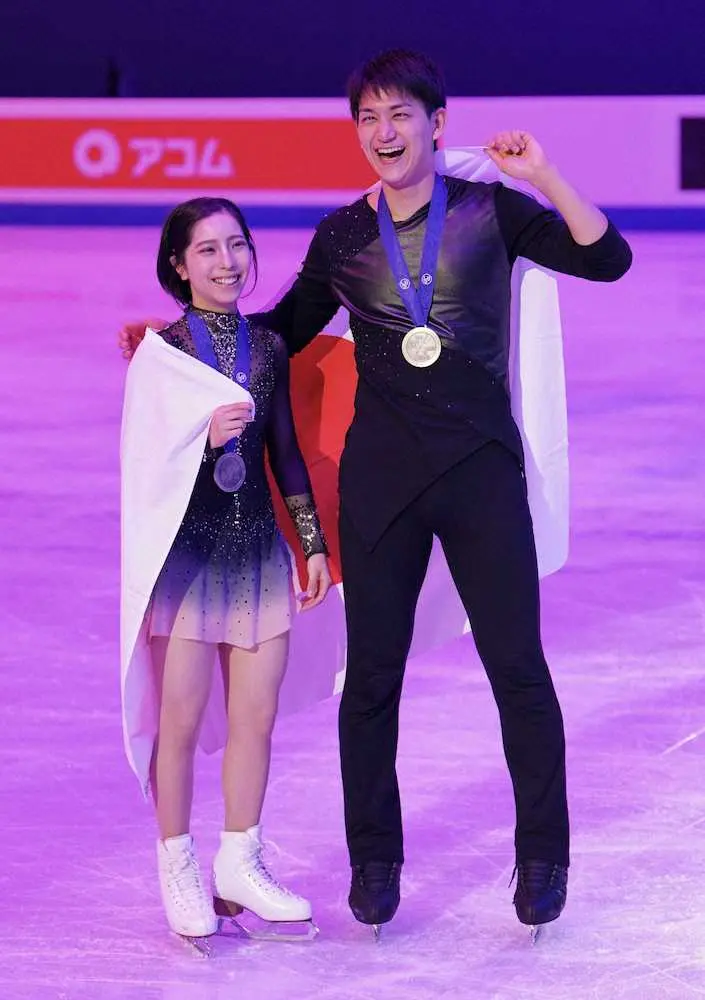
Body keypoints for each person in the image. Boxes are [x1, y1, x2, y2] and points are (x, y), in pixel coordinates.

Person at [119, 49, 632, 936]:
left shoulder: (491, 212)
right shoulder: (343, 237)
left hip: (480, 473)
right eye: (368, 118)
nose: (384, 132)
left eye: (400, 115)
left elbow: (607, 259)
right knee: (371, 681)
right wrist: (177, 350)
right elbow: (278, 335)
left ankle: (543, 856)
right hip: (381, 482)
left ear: (437, 124)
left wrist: (542, 174)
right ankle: (375, 861)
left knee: (517, 670)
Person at [119, 196, 331, 945]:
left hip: (259, 554)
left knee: (255, 719)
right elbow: (144, 463)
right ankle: (177, 863)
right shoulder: (161, 354)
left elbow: (286, 454)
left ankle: (240, 860)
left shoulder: (267, 347)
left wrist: (311, 542)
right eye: (206, 250)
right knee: (178, 721)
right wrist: (200, 441)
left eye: (236, 245)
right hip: (187, 560)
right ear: (178, 266)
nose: (227, 262)